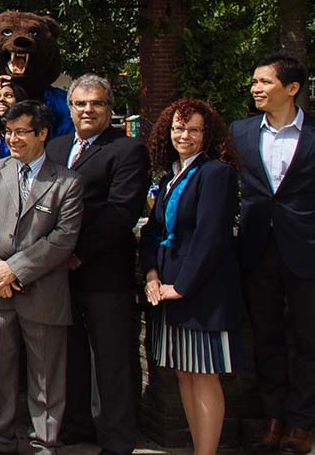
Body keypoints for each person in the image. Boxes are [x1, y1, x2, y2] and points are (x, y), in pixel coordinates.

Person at [0, 99, 83, 455]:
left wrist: (14, 269)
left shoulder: (67, 181)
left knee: (46, 378)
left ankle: (43, 444)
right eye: (9, 132)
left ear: (43, 134)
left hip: (43, 291)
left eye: (21, 132)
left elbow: (63, 238)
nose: (13, 139)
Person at [46, 75, 150, 455]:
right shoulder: (54, 148)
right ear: (70, 108)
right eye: (80, 104)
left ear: (109, 108)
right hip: (58, 275)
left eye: (97, 104)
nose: (88, 110)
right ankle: (76, 425)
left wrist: (77, 253)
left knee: (113, 360)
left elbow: (121, 212)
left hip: (105, 273)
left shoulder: (127, 150)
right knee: (69, 355)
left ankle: (118, 438)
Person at [141, 99, 242, 455]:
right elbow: (153, 233)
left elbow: (211, 237)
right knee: (184, 373)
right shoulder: (170, 177)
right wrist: (152, 277)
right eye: (178, 128)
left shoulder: (217, 173)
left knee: (204, 375)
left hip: (200, 292)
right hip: (167, 290)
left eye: (194, 129)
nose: (184, 135)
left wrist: (181, 287)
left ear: (208, 133)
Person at [231, 55, 315, 454]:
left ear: (292, 88)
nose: (255, 88)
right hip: (257, 250)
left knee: (309, 338)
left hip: (307, 251)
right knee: (266, 337)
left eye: (264, 82)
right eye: (254, 82)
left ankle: (300, 423)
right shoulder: (241, 132)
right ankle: (274, 416)